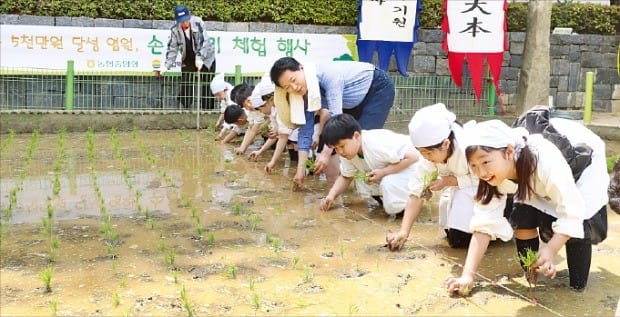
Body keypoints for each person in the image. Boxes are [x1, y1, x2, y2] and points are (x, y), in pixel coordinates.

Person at [445, 119, 609, 295]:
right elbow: (483, 224)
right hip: (529, 175)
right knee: (522, 213)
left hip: (581, 161)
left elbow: (571, 210)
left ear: (509, 152)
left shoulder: (545, 160)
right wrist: (467, 276)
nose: (481, 173)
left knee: (579, 221)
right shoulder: (491, 175)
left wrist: (550, 249)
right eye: (474, 166)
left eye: (485, 162)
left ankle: (577, 289)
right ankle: (532, 274)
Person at [269, 57, 394, 190]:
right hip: (350, 102)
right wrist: (301, 170)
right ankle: (338, 188)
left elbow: (336, 117)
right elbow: (305, 132)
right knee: (335, 143)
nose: (294, 87)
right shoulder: (301, 96)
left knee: (361, 142)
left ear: (301, 68)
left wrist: (325, 154)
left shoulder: (329, 76)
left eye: (293, 80)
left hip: (376, 88)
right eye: (287, 87)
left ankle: (383, 187)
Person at [386, 103, 480, 250]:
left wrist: (450, 181)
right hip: (461, 193)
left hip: (487, 192)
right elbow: (416, 191)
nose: (426, 157)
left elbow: (486, 179)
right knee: (454, 239)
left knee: (463, 239)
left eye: (428, 153)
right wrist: (404, 232)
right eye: (422, 152)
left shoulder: (470, 148)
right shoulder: (429, 156)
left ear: (446, 144)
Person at [319, 113, 419, 216]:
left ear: (356, 136)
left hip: (417, 167)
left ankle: (415, 200)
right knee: (363, 180)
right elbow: (346, 176)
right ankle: (396, 202)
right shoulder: (348, 152)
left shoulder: (377, 143)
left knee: (388, 184)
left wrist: (384, 172)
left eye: (342, 146)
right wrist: (331, 196)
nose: (340, 152)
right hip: (397, 171)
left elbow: (414, 156)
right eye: (336, 148)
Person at [163, 5, 216, 110]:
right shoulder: (175, 29)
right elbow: (173, 48)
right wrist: (166, 66)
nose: (184, 23)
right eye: (181, 21)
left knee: (207, 84)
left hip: (206, 57)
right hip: (188, 57)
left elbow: (204, 42)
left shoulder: (198, 22)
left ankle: (207, 111)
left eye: (186, 20)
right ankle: (186, 109)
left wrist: (200, 57)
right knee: (186, 82)